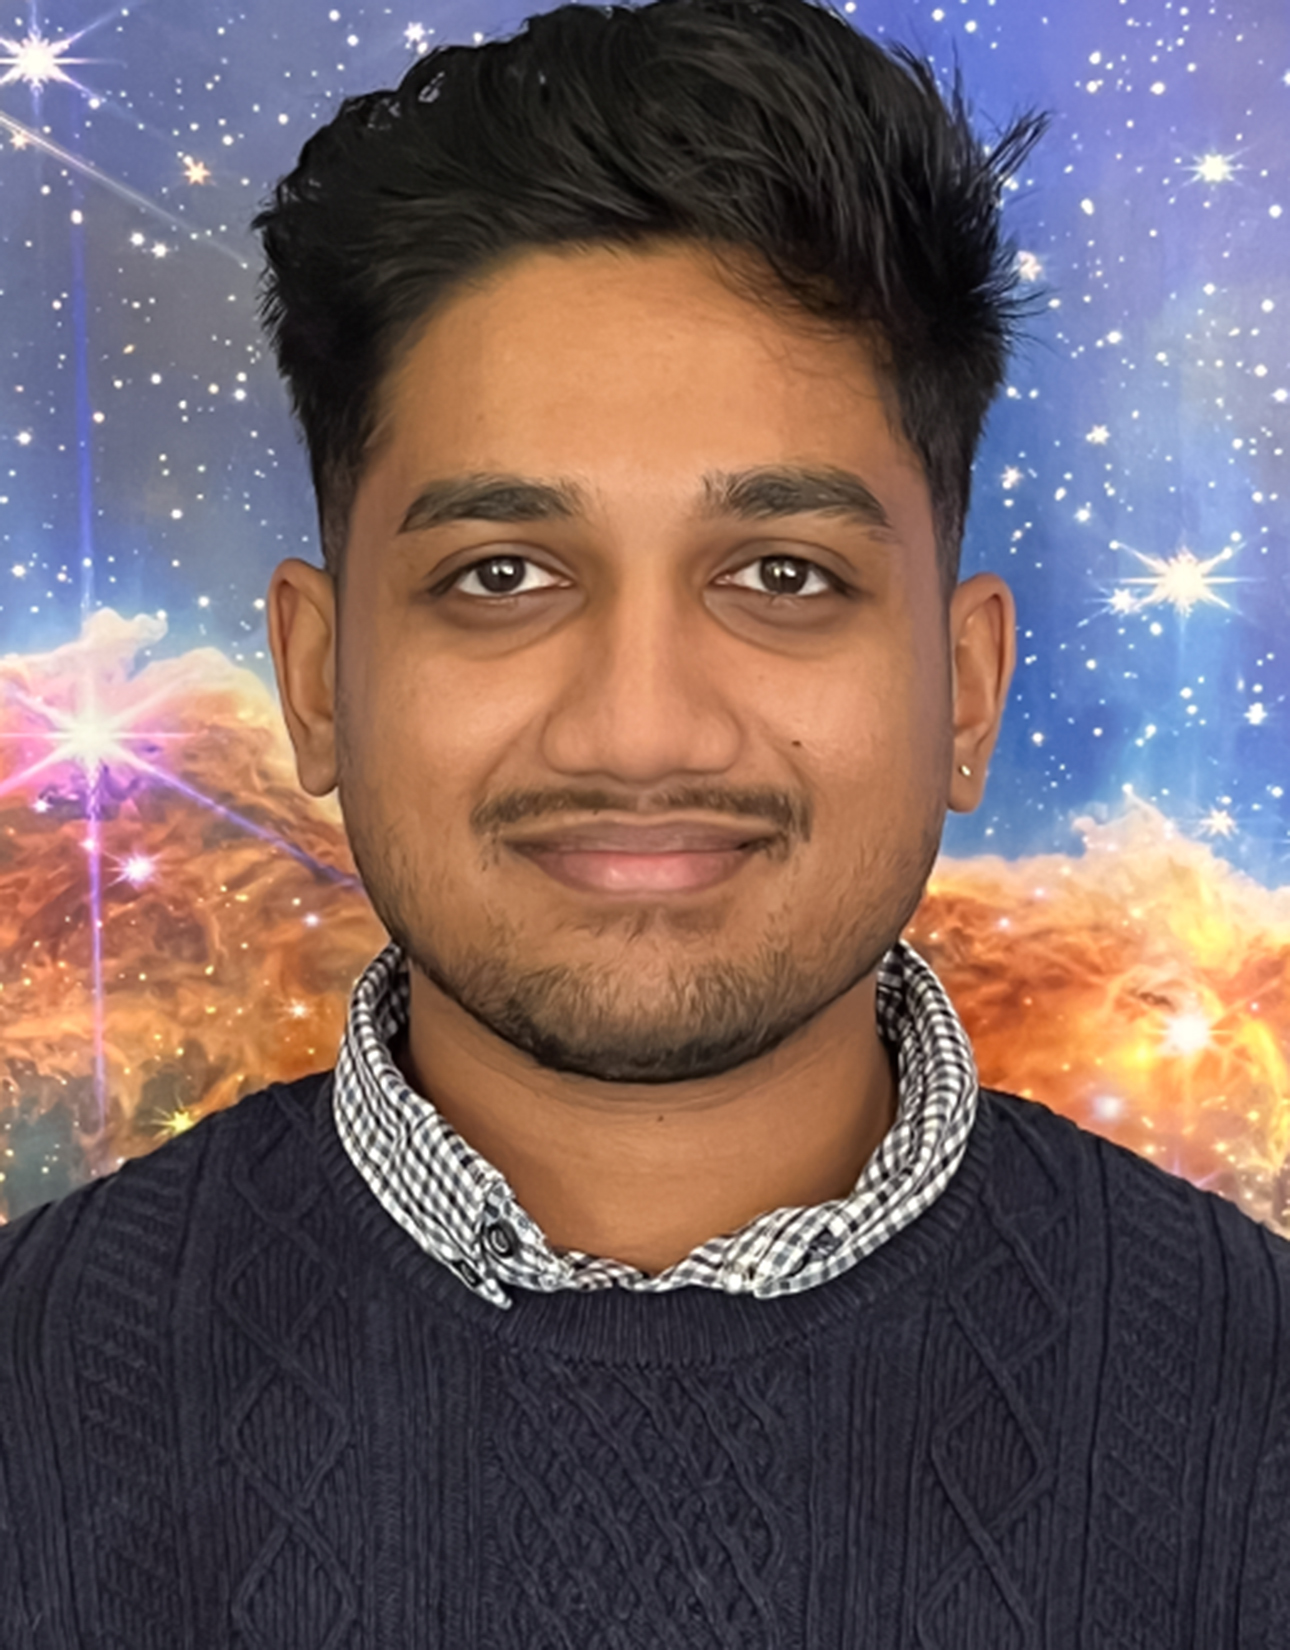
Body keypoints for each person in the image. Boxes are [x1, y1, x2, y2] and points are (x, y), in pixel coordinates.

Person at [2, 0, 1287, 1641]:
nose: (640, 726)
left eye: (781, 575)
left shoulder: (1255, 1417)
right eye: (501, 575)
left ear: (964, 691)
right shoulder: (31, 1397)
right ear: (317, 681)